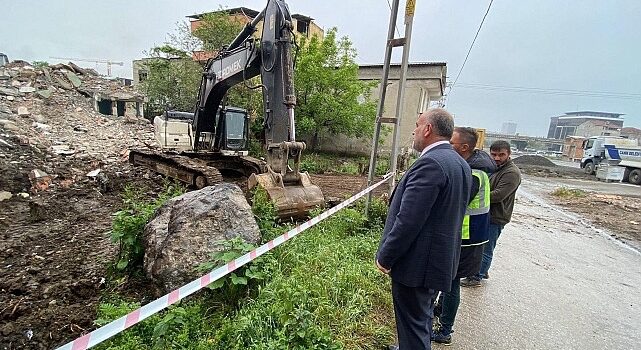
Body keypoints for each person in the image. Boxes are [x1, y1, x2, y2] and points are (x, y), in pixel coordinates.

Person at [376, 109, 472, 350]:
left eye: (417, 125)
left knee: (414, 326)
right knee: (421, 319)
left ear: (428, 129)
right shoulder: (459, 163)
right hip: (438, 262)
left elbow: (408, 220)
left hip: (418, 267)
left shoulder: (430, 163)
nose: (414, 131)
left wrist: (386, 257)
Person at [432, 127, 496, 345]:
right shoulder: (472, 167)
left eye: (452, 143)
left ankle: (445, 330)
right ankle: (441, 311)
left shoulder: (473, 173)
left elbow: (454, 202)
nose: (448, 145)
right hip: (467, 234)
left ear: (464, 147)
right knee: (449, 281)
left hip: (468, 236)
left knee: (451, 283)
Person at [461, 140, 522, 287]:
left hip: (497, 216)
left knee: (486, 248)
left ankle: (476, 277)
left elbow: (499, 195)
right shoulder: (496, 168)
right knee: (482, 246)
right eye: (494, 154)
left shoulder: (511, 173)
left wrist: (477, 195)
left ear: (509, 154)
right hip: (487, 214)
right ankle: (482, 270)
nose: (497, 158)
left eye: (501, 155)